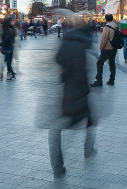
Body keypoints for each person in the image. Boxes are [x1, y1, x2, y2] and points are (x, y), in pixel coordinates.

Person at [48, 17, 95, 176]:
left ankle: (57, 165)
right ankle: (88, 149)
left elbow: (58, 59)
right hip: (81, 88)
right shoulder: (83, 43)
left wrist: (65, 70)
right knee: (88, 119)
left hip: (68, 88)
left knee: (59, 126)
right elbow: (83, 68)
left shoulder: (66, 40)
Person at [91, 14, 119, 87]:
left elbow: (104, 39)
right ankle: (112, 80)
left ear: (106, 19)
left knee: (99, 63)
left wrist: (101, 47)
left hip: (107, 48)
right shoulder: (115, 26)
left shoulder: (107, 27)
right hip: (114, 48)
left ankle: (99, 80)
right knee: (112, 63)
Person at [0, 16, 17, 80]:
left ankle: (10, 73)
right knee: (7, 61)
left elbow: (5, 39)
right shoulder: (7, 29)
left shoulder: (9, 29)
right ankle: (10, 72)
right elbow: (4, 38)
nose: (13, 22)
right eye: (12, 21)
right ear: (9, 22)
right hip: (8, 46)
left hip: (8, 46)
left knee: (7, 61)